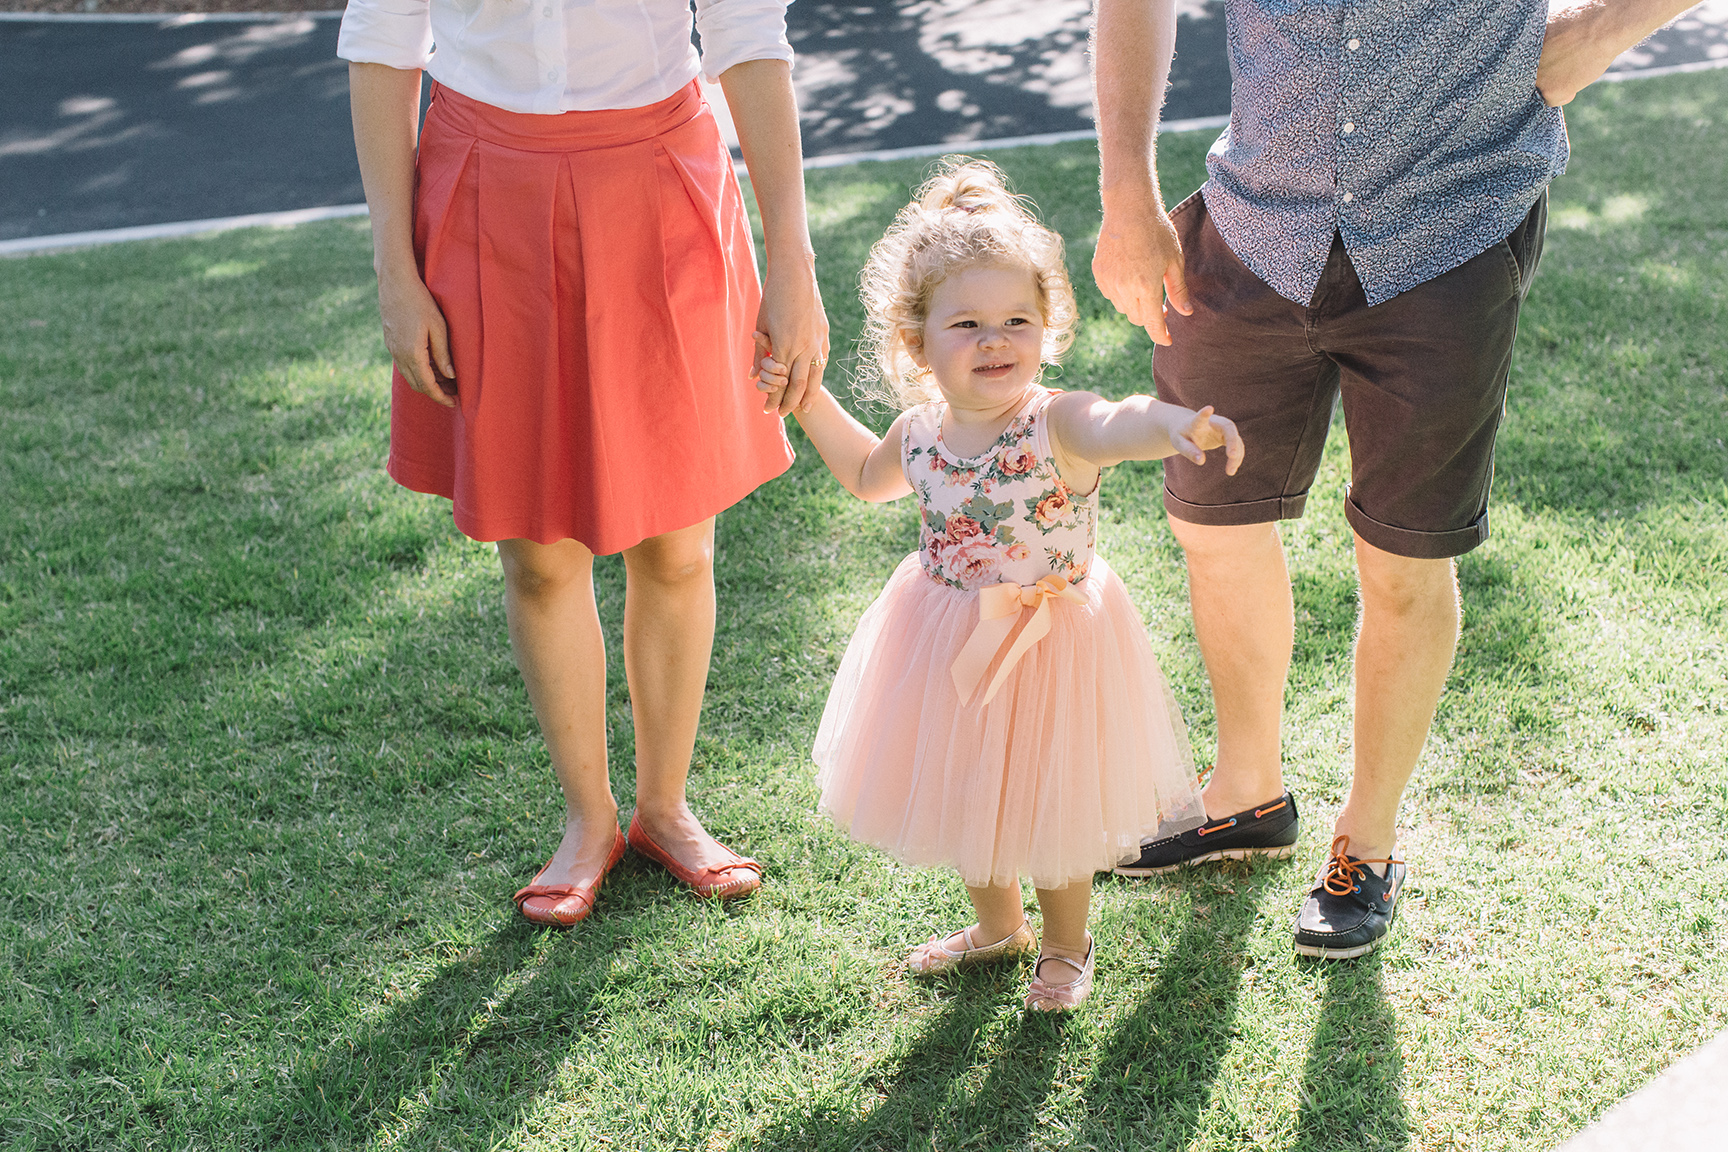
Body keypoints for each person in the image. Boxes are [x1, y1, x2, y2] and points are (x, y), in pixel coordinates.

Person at [1089, 0, 1701, 958]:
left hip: (1453, 230)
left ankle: (1365, 848)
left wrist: (1592, 35)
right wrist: (1125, 188)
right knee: (1213, 521)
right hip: (1252, 226)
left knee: (1404, 556)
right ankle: (1245, 791)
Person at [338, 0, 829, 925]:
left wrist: (791, 261)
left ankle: (665, 809)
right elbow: (382, 45)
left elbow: (748, 39)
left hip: (661, 181)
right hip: (485, 190)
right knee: (536, 555)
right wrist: (395, 273)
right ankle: (588, 819)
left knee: (678, 544)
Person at [760, 160, 1240, 1010]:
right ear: (918, 342)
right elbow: (864, 476)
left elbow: (1114, 421)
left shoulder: (1054, 421)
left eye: (1017, 320)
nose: (995, 340)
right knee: (967, 789)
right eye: (968, 323)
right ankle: (996, 925)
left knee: (1053, 803)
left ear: (1048, 328)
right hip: (945, 637)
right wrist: (805, 400)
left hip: (1055, 643)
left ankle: (1065, 942)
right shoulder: (918, 433)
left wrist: (1171, 425)